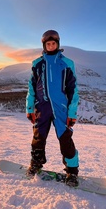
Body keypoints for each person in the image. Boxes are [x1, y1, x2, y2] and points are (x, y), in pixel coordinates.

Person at [26, 30, 79, 187]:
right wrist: (29, 108)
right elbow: (32, 88)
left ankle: (72, 172)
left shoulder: (67, 63)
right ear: (44, 45)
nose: (51, 46)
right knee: (38, 137)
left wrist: (72, 112)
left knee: (65, 139)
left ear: (58, 44)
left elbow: (73, 90)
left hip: (61, 109)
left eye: (53, 43)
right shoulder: (37, 64)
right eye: (48, 44)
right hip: (42, 108)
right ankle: (36, 163)